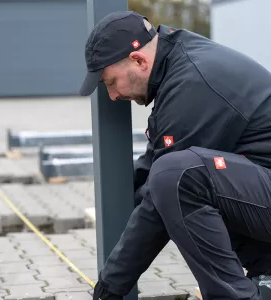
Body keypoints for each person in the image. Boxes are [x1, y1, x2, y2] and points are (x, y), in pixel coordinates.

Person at [79, 11, 271, 300]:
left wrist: (107, 290)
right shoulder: (177, 63)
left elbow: (160, 195)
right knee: (191, 176)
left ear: (139, 61)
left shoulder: (193, 83)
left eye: (110, 82)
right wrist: (119, 207)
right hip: (261, 183)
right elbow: (152, 168)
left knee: (180, 177)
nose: (113, 96)